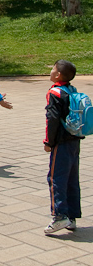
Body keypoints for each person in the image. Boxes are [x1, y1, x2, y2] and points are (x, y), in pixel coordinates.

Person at [44, 59, 82, 235]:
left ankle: (59, 216)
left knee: (56, 179)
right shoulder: (71, 90)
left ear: (58, 75)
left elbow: (51, 120)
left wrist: (48, 142)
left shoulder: (54, 93)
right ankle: (71, 217)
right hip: (75, 140)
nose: (50, 71)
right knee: (71, 178)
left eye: (53, 69)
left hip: (61, 142)